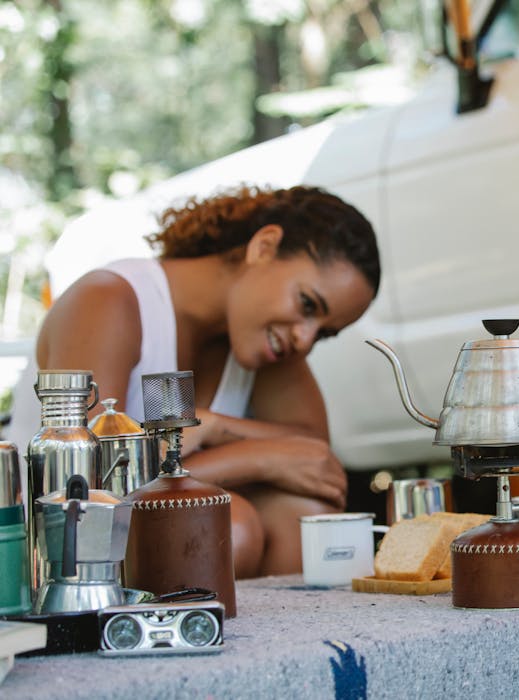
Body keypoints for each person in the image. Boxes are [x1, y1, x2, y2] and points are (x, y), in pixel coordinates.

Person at [10, 184, 381, 578]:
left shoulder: (266, 339)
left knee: (306, 513)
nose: (305, 339)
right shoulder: (111, 299)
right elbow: (89, 481)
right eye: (307, 304)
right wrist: (260, 456)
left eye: (323, 333)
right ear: (264, 246)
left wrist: (217, 429)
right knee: (221, 525)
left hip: (136, 532)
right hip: (55, 551)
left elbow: (313, 460)